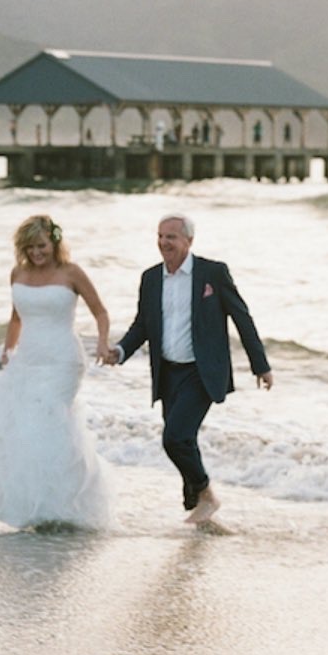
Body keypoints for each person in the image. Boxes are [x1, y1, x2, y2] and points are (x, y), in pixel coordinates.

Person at [106, 214, 271, 524]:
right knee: (185, 438)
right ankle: (200, 509)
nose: (164, 243)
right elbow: (142, 324)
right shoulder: (151, 278)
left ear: (188, 241)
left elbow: (242, 317)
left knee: (174, 438)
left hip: (202, 371)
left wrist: (260, 365)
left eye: (171, 237)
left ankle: (206, 494)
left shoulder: (213, 273)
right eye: (160, 236)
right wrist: (120, 350)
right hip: (168, 373)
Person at [0, 215, 112, 529]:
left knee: (51, 423)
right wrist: (7, 352)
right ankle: (40, 507)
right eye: (30, 247)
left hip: (63, 360)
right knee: (26, 428)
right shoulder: (17, 274)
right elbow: (16, 319)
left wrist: (102, 343)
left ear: (55, 243)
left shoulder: (71, 273)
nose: (36, 253)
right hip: (28, 358)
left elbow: (100, 311)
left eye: (42, 246)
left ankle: (66, 507)